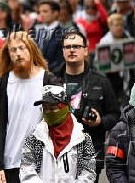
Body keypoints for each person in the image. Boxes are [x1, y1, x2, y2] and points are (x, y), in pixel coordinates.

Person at [0, 31, 61, 183]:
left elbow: (59, 123)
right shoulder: (4, 83)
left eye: (22, 48)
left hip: (42, 163)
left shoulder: (48, 80)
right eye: (13, 50)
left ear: (31, 50)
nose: (18, 53)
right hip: (11, 163)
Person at [53, 30, 120, 182]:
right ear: (62, 51)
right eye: (67, 46)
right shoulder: (52, 80)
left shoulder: (101, 81)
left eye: (76, 46)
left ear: (85, 50)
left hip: (90, 154)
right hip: (58, 154)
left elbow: (115, 115)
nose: (71, 50)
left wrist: (100, 121)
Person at [20, 85, 96, 182]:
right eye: (45, 108)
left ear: (64, 108)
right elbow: (26, 170)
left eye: (52, 108)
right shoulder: (34, 139)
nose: (48, 112)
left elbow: (89, 172)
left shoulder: (83, 139)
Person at [99, 13, 135, 107]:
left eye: (121, 25)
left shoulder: (126, 36)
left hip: (127, 76)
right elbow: (101, 66)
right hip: (111, 78)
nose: (119, 28)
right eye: (116, 25)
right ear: (110, 26)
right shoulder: (104, 41)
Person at [32, 0, 65, 72]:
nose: (41, 14)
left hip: (55, 75)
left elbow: (61, 60)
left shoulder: (64, 33)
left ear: (55, 13)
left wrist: (45, 69)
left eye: (45, 11)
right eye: (39, 12)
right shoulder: (37, 32)